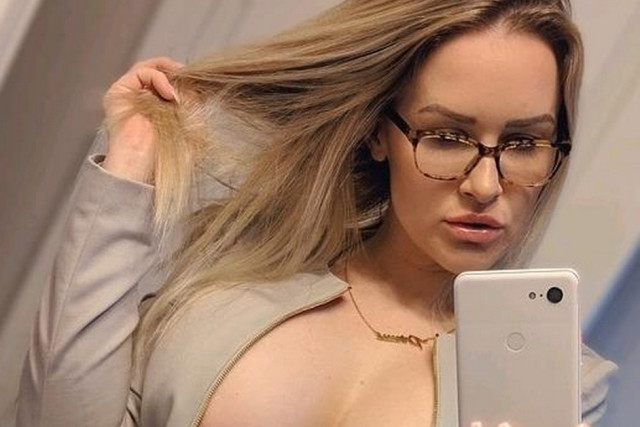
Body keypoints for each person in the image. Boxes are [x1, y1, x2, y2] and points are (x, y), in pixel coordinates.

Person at [16, 0, 619, 426]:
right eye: (446, 137)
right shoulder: (230, 281)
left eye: (523, 143)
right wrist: (127, 167)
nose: (485, 185)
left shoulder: (565, 389)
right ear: (379, 133)